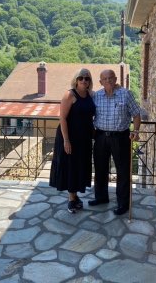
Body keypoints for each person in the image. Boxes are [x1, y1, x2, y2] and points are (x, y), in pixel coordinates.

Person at [90, 68, 144, 216]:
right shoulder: (96, 96)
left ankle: (123, 204)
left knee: (123, 171)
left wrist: (136, 131)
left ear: (115, 80)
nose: (108, 81)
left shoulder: (125, 94)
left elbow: (136, 114)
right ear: (100, 82)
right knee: (100, 168)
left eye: (110, 78)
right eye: (104, 79)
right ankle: (101, 197)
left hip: (120, 137)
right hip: (100, 136)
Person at [48, 68, 95, 212]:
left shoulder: (90, 95)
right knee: (71, 166)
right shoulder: (69, 95)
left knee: (80, 165)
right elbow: (62, 118)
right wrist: (66, 140)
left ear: (90, 81)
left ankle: (75, 196)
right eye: (81, 78)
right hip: (70, 137)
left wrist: (116, 86)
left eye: (87, 78)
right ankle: (71, 199)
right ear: (76, 80)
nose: (84, 81)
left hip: (84, 138)